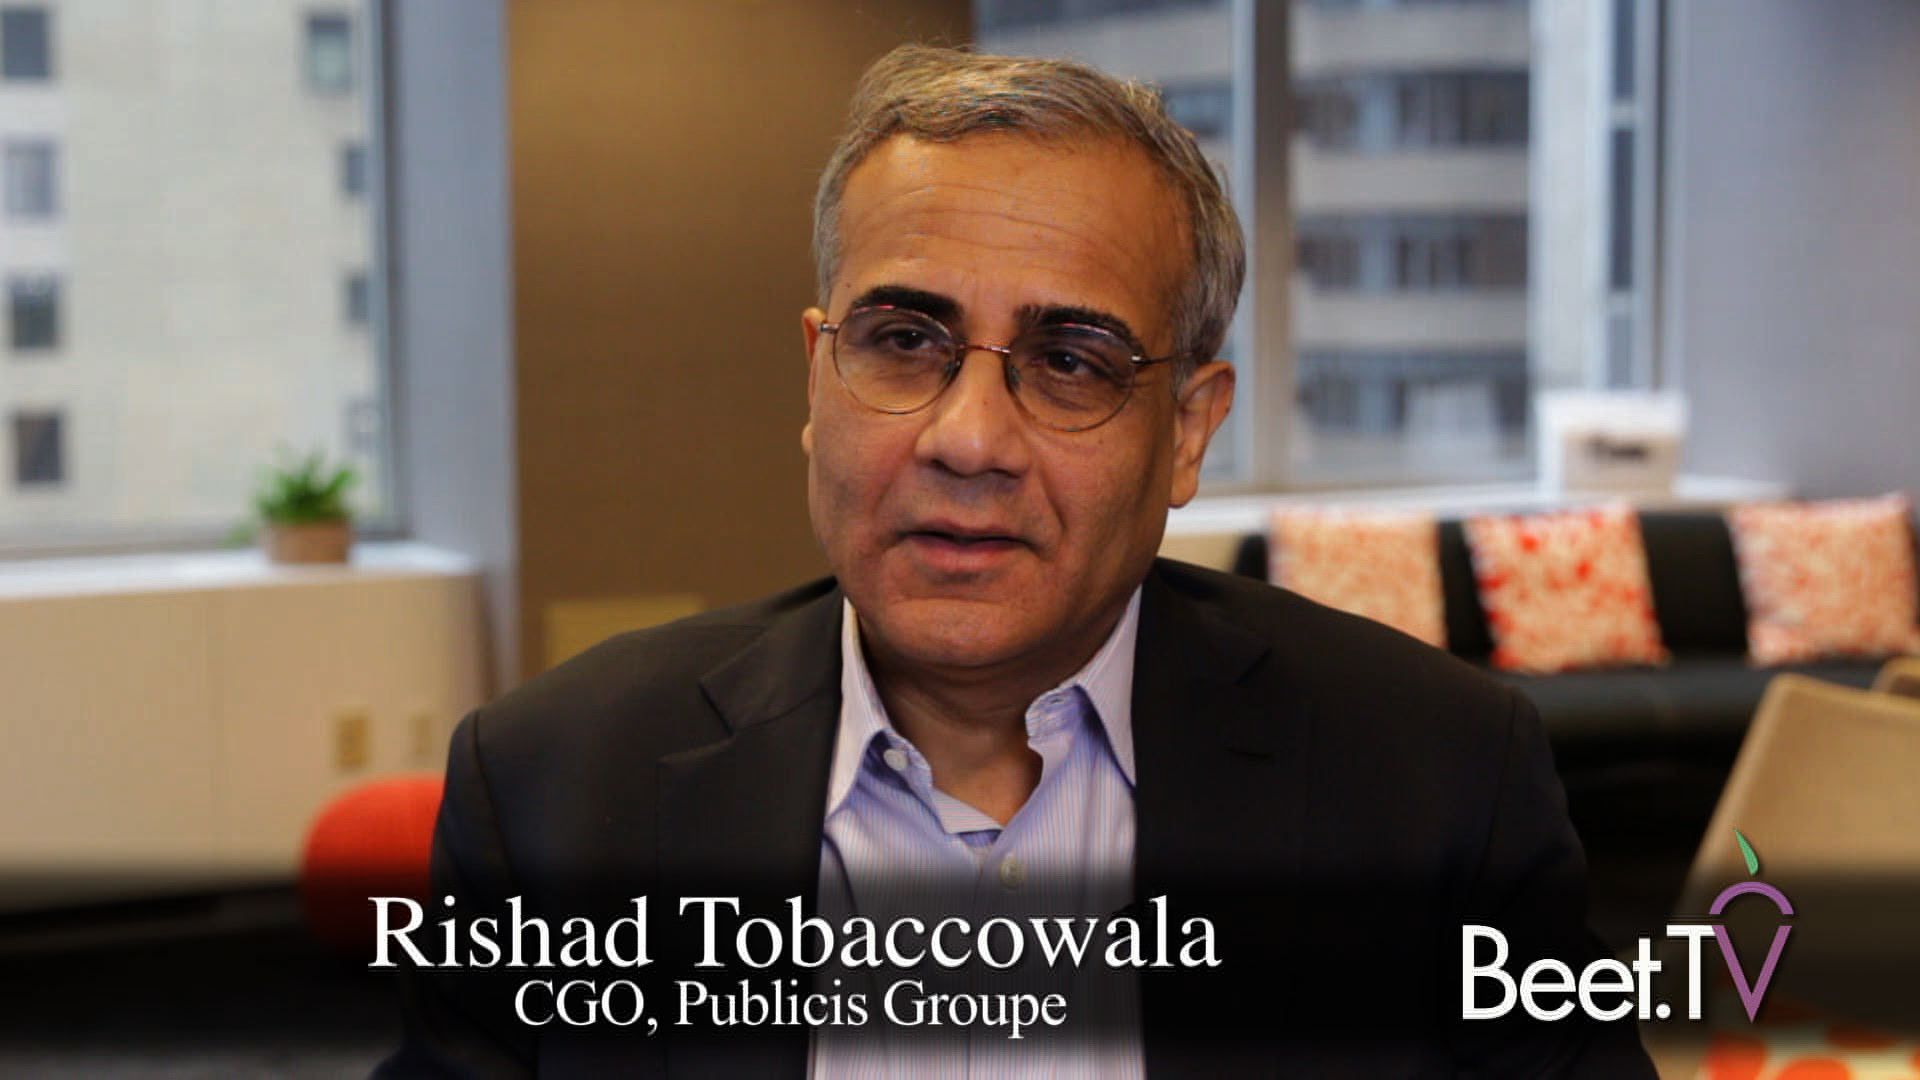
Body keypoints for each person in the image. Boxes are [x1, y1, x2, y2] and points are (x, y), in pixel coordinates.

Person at [381, 46, 1656, 1078]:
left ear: (1188, 432)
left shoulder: (1437, 784)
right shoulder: (555, 786)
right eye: (903, 340)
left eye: (1072, 362)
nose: (970, 440)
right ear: (819, 380)